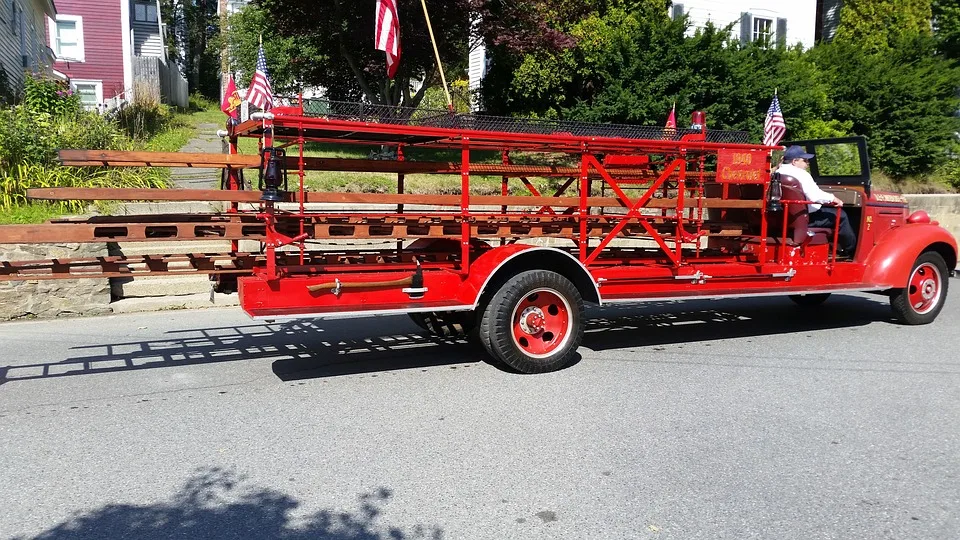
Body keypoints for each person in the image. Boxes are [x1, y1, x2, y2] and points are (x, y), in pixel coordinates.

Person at [777, 145, 857, 254]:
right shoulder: (801, 174)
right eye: (805, 160)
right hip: (805, 218)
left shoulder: (777, 173)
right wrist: (834, 198)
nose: (807, 163)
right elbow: (815, 196)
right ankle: (850, 251)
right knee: (841, 215)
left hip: (783, 217)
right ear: (795, 161)